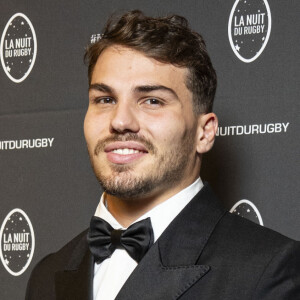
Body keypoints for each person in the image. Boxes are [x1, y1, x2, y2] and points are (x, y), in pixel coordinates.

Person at [26, 10, 300, 300]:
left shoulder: (267, 271)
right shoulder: (47, 274)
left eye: (152, 101)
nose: (120, 121)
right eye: (105, 99)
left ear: (203, 133)